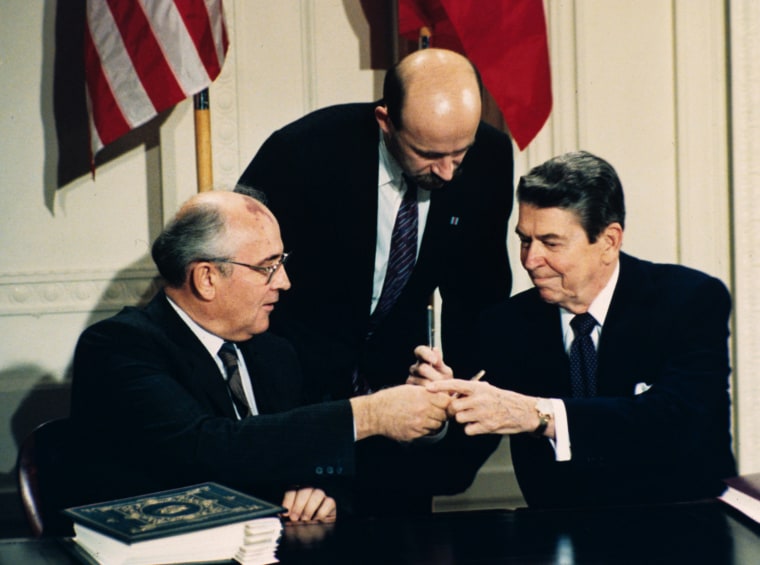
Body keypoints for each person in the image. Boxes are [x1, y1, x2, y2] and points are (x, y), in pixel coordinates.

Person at [236, 48, 512, 512]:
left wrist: (451, 424)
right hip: (298, 410)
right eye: (428, 154)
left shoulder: (490, 156)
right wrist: (301, 461)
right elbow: (245, 301)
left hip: (399, 416)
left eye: (458, 154)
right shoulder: (301, 153)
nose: (447, 172)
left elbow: (480, 300)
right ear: (385, 121)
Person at [69, 190, 452, 523]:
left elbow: (313, 448)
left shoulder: (272, 350)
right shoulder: (117, 347)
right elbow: (205, 449)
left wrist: (318, 490)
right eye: (268, 267)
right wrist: (370, 412)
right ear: (206, 278)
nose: (284, 281)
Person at [414, 150, 737, 508]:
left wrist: (538, 415)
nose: (530, 260)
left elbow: (677, 423)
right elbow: (453, 471)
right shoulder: (504, 325)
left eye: (551, 243)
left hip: (683, 534)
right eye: (524, 240)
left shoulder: (689, 300)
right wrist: (437, 412)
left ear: (609, 242)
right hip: (560, 542)